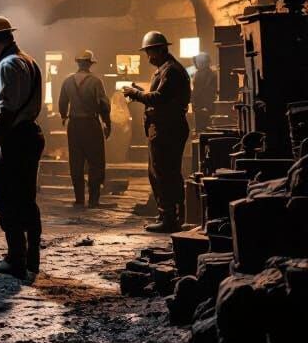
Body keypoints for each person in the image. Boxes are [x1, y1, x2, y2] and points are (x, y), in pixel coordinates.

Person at [0, 16, 44, 280]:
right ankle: (31, 258)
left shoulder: (7, 65)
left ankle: (16, 260)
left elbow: (6, 110)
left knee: (6, 200)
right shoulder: (29, 60)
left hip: (14, 139)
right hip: (29, 135)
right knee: (26, 200)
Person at [122, 31, 192, 234]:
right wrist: (141, 91)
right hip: (163, 127)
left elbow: (160, 97)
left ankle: (170, 218)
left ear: (161, 50)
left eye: (150, 52)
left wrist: (136, 94)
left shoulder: (171, 70)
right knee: (159, 173)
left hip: (167, 129)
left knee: (164, 173)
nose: (148, 57)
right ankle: (167, 214)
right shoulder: (166, 69)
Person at [58, 50, 112, 208]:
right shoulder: (95, 82)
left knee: (76, 162)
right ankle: (93, 200)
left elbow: (62, 102)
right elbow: (103, 105)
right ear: (90, 63)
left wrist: (63, 116)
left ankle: (79, 199)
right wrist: (107, 123)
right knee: (95, 162)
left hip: (74, 125)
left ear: (78, 63)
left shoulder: (67, 81)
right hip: (91, 124)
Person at [192, 52, 217, 133]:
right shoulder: (199, 73)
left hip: (205, 104)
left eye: (199, 62)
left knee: (204, 128)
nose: (197, 64)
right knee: (200, 127)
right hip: (200, 105)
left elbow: (206, 91)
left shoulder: (209, 74)